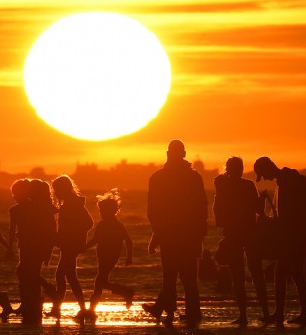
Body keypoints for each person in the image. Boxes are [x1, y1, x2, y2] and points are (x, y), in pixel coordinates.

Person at [144, 140, 207, 327]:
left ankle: (169, 312)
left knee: (169, 276)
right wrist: (200, 234)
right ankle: (192, 313)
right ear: (184, 154)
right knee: (189, 277)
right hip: (189, 235)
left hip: (169, 234)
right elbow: (201, 208)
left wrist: (157, 233)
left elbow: (153, 210)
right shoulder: (194, 178)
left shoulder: (157, 177)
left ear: (167, 154)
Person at [254, 156, 306, 326]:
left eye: (263, 174)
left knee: (288, 273)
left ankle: (292, 314)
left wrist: (269, 220)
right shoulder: (285, 180)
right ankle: (292, 313)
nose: (264, 179)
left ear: (268, 168)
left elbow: (289, 216)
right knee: (291, 273)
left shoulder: (287, 181)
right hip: (297, 232)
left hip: (296, 234)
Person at [213, 157, 270, 325]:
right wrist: (263, 199)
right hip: (249, 233)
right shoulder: (248, 185)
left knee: (238, 275)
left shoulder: (222, 185)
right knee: (256, 273)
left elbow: (218, 210)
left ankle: (244, 315)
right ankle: (265, 313)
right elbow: (257, 209)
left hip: (233, 234)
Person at [10, 179, 58, 324]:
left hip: (36, 245)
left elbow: (49, 229)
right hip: (26, 245)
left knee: (26, 273)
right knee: (26, 274)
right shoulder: (29, 207)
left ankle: (47, 295)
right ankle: (31, 304)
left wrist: (48, 249)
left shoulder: (38, 208)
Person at [47, 175, 93, 321]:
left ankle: (78, 309)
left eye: (57, 190)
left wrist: (75, 234)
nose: (55, 193)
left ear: (65, 189)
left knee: (67, 276)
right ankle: (60, 309)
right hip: (68, 244)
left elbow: (89, 223)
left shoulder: (74, 204)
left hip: (72, 244)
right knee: (64, 276)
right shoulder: (67, 204)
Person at [84, 189, 134, 317]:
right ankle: (125, 292)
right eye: (101, 211)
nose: (101, 213)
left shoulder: (114, 225)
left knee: (99, 282)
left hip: (109, 257)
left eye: (103, 211)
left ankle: (91, 310)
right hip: (104, 256)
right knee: (101, 282)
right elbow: (127, 242)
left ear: (112, 211)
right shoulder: (110, 225)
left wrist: (129, 257)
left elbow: (128, 241)